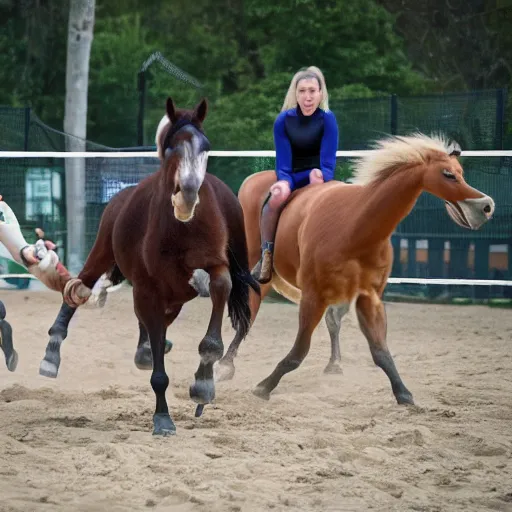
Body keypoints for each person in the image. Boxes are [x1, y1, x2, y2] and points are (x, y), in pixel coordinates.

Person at [251, 66, 339, 284]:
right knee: (277, 197)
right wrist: (283, 183)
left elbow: (328, 166)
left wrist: (319, 176)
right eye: (302, 91)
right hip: (291, 174)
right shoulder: (283, 121)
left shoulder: (328, 119)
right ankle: (266, 256)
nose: (307, 97)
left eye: (312, 91)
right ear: (295, 93)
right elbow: (284, 165)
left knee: (319, 184)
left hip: (319, 176)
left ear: (321, 93)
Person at [0, 195, 71, 293]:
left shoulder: (28, 252)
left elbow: (31, 257)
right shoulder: (28, 252)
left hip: (27, 255)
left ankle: (68, 284)